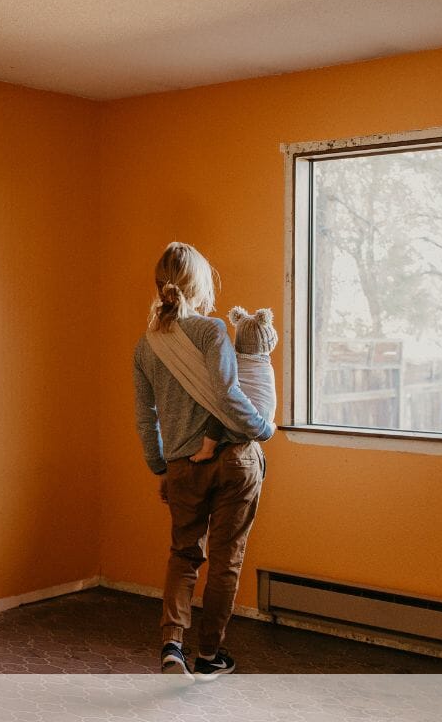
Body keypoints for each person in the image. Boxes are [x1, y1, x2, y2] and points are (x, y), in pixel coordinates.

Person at [132, 242, 275, 680]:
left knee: (183, 555)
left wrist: (161, 468)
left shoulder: (146, 347)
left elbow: (145, 418)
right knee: (226, 558)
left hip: (181, 468)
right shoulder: (212, 332)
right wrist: (262, 428)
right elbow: (227, 396)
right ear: (200, 285)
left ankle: (171, 645)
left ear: (160, 286)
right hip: (233, 462)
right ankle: (210, 654)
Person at [189, 306, 278, 464]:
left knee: (219, 409)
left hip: (247, 420)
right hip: (264, 418)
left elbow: (226, 389)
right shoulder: (265, 365)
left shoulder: (235, 361)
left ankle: (207, 450)